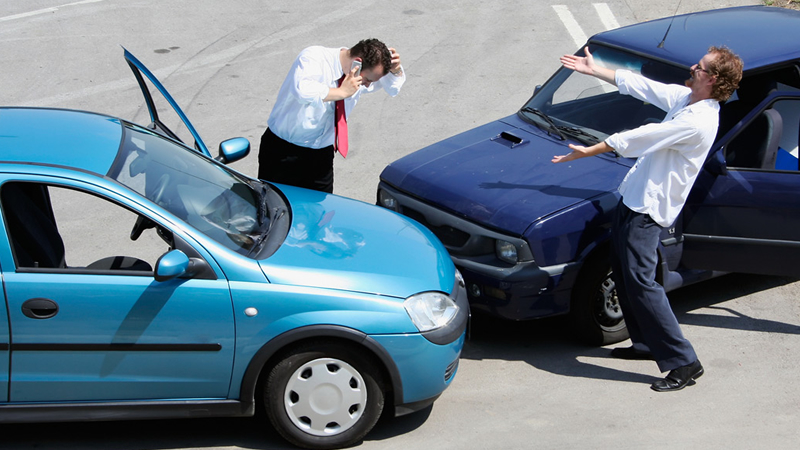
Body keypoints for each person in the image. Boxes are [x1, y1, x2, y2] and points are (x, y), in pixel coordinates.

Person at [553, 46, 743, 392]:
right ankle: (644, 344)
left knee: (642, 283)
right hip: (634, 197)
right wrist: (594, 71)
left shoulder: (697, 121)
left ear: (712, 79)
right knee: (625, 274)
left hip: (649, 211)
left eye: (698, 66)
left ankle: (684, 362)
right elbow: (642, 85)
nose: (691, 66)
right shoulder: (687, 99)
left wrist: (590, 150)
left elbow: (643, 137)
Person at [258, 38, 406, 193]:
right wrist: (341, 92)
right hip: (283, 152)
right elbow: (302, 90)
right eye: (368, 79)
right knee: (274, 210)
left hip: (321, 155)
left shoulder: (356, 76)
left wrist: (395, 70)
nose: (367, 85)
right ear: (357, 63)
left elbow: (392, 89)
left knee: (321, 211)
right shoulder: (313, 57)